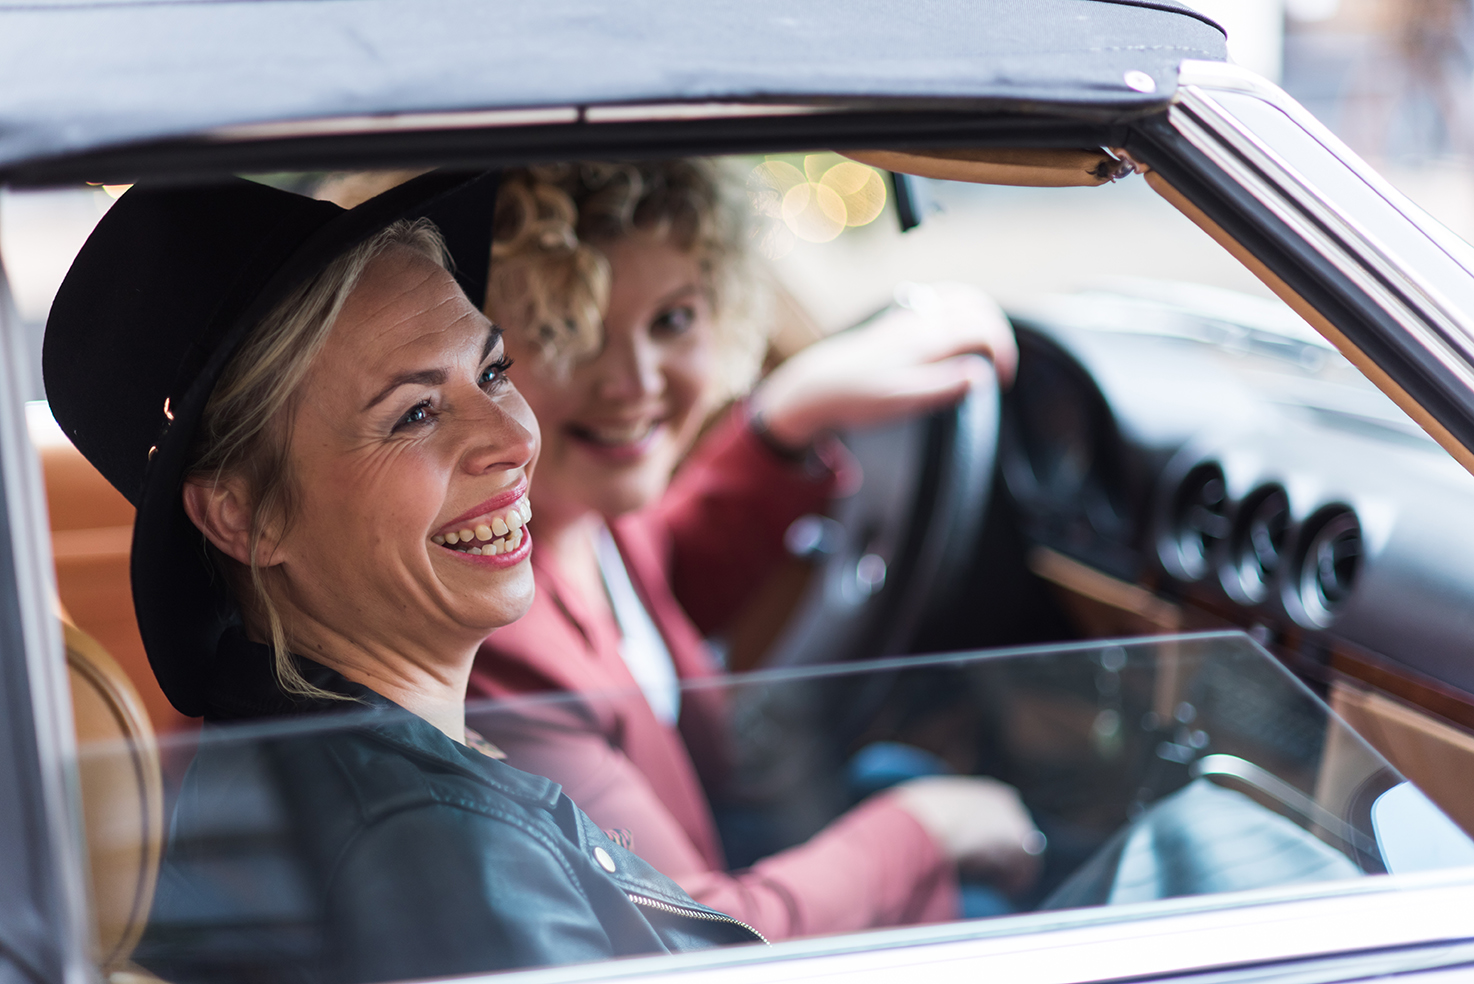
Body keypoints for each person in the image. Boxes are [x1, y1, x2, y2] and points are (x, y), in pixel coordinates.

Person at [41, 172, 762, 984]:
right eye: (414, 414)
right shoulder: (435, 852)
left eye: (492, 372)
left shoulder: (346, 770)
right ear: (246, 517)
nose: (512, 437)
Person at [465, 160, 1040, 941]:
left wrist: (788, 419)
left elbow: (669, 576)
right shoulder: (493, 635)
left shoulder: (579, 511)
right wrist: (926, 830)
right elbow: (697, 933)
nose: (633, 382)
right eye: (572, 331)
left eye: (672, 320)